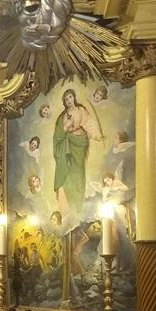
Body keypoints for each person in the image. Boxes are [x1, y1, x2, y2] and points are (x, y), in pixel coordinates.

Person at [53, 88, 103, 217]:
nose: (69, 100)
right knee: (67, 176)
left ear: (74, 97)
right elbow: (58, 135)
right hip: (66, 146)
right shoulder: (62, 117)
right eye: (66, 99)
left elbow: (89, 124)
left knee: (78, 174)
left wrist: (97, 135)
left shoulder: (81, 110)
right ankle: (66, 209)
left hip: (79, 145)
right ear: (64, 102)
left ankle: (77, 206)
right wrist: (66, 127)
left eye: (70, 97)